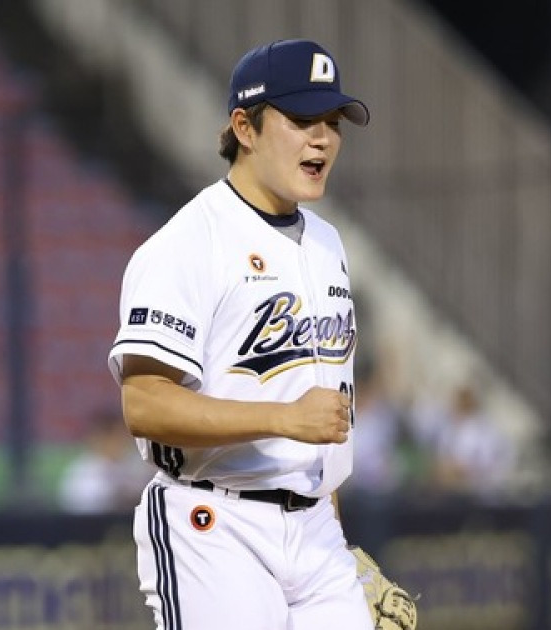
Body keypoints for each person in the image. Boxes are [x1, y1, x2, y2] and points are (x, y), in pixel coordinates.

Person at [108, 39, 374, 629]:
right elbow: (143, 402)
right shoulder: (187, 243)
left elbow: (322, 423)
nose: (323, 138)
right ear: (244, 127)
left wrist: (329, 528)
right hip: (215, 523)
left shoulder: (328, 244)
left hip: (313, 529)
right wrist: (282, 419)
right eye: (302, 119)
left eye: (332, 122)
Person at [58, 407, 154, 514]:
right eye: (115, 436)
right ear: (99, 437)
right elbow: (85, 504)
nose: (122, 441)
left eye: (124, 435)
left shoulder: (134, 464)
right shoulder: (81, 471)